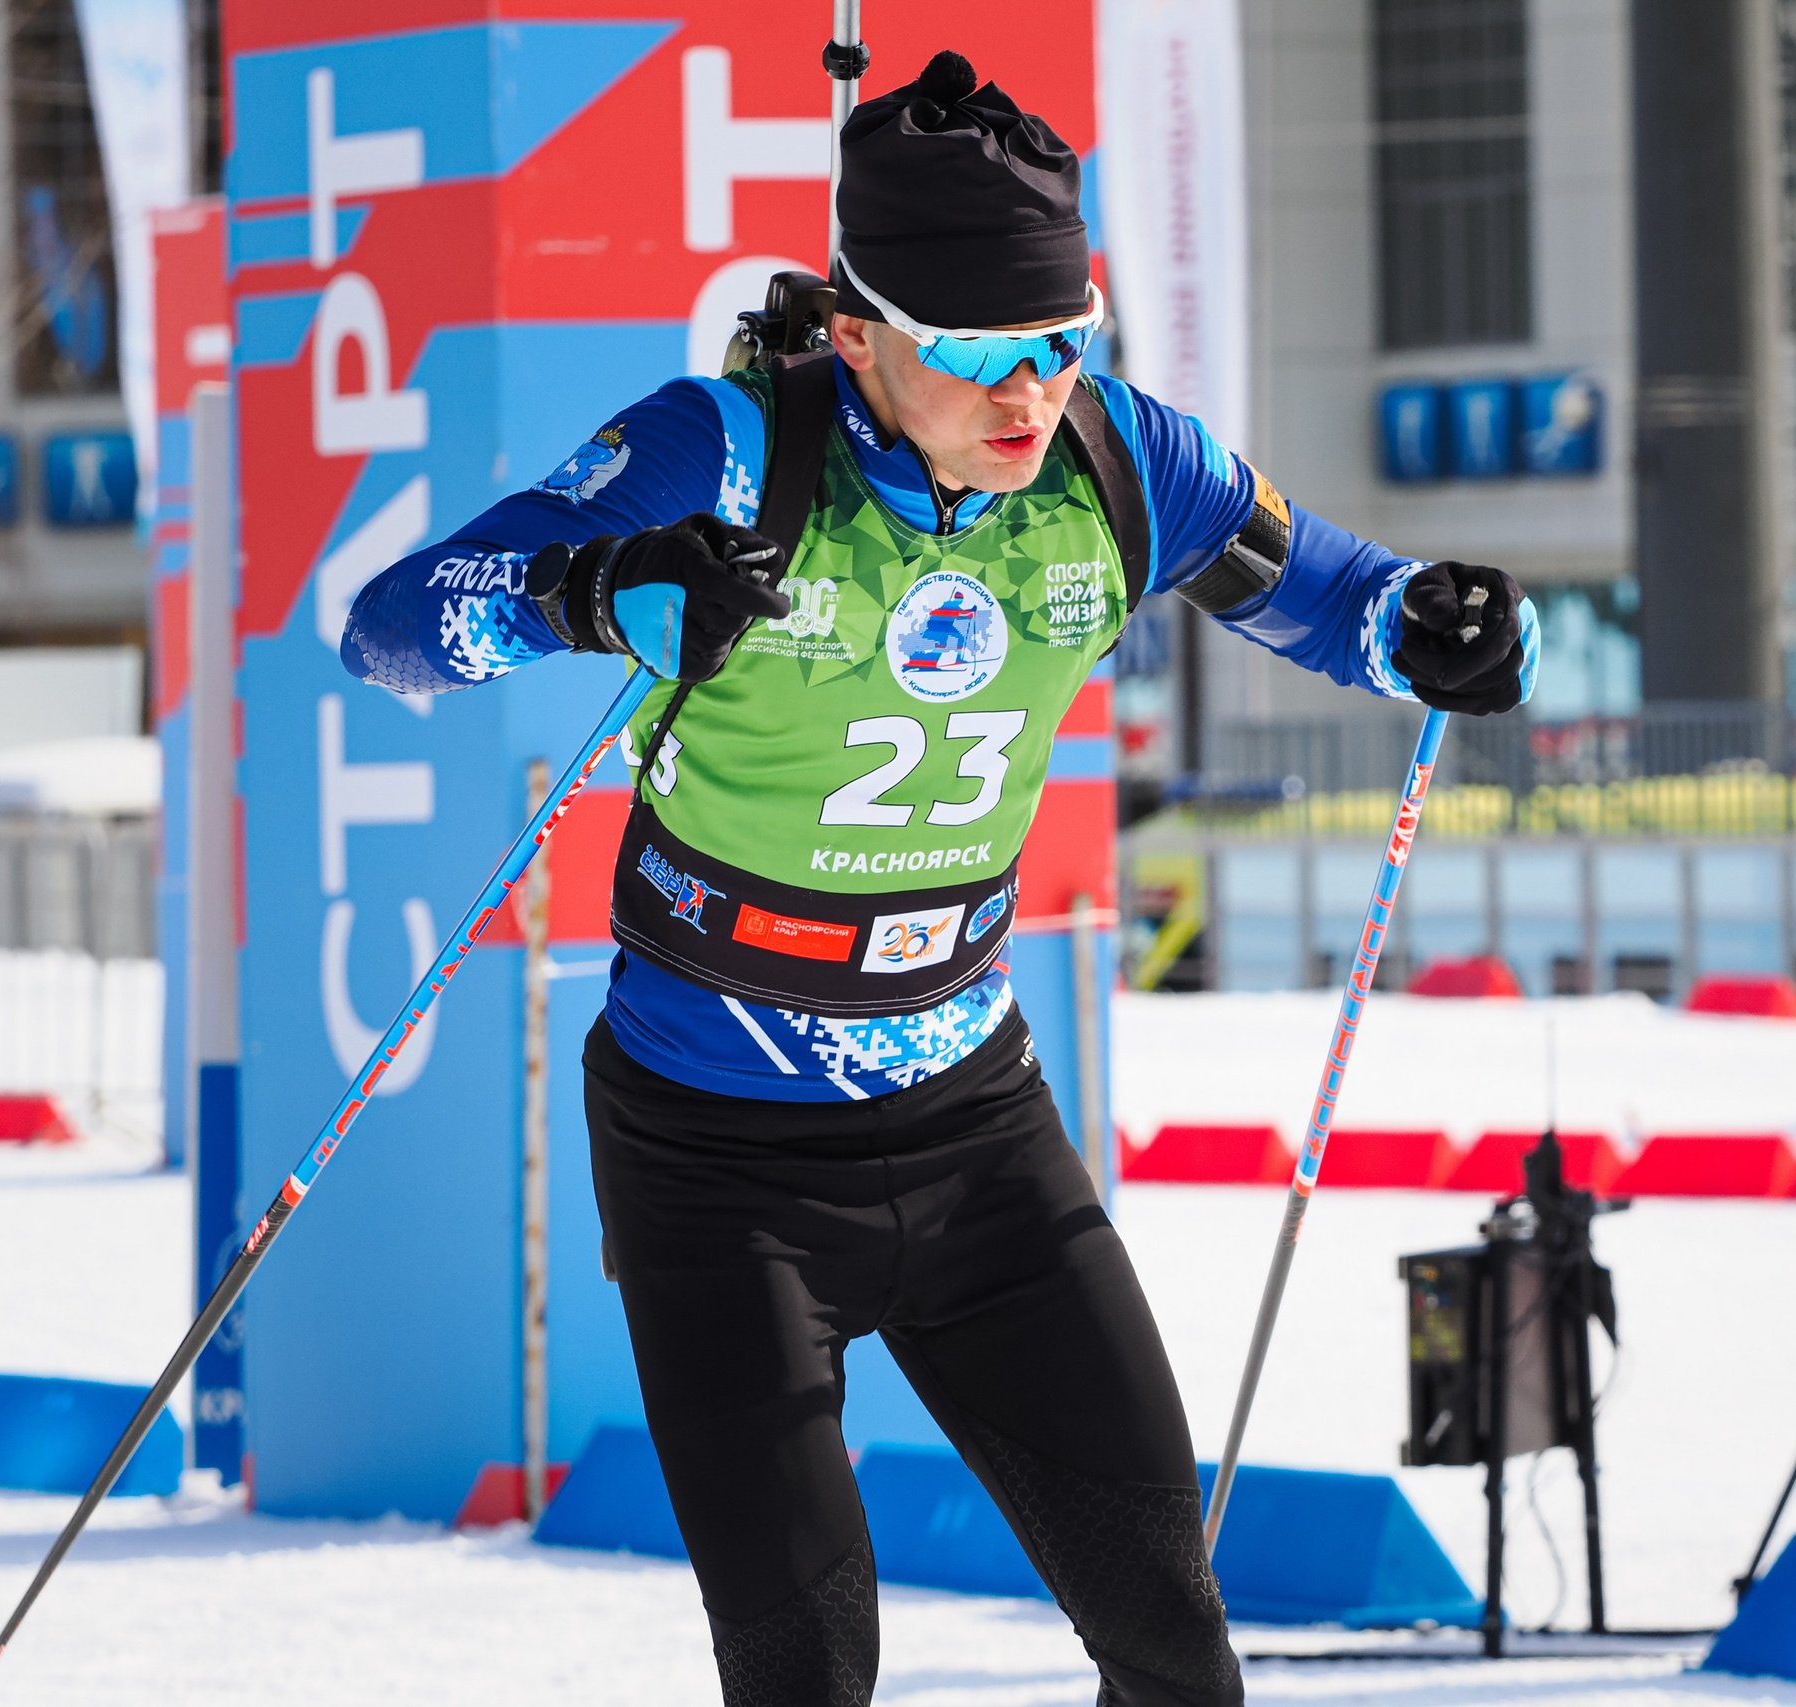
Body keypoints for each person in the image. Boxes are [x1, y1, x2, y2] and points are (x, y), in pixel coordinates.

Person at [339, 51, 1538, 1706]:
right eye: (978, 356)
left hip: (977, 1133)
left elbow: (1349, 601)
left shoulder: (1125, 465)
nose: (1027, 395)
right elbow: (389, 624)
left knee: (1177, 1650)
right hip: (717, 1159)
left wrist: (1450, 627)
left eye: (1064, 345)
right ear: (859, 337)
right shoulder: (729, 455)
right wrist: (597, 586)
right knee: (810, 1672)